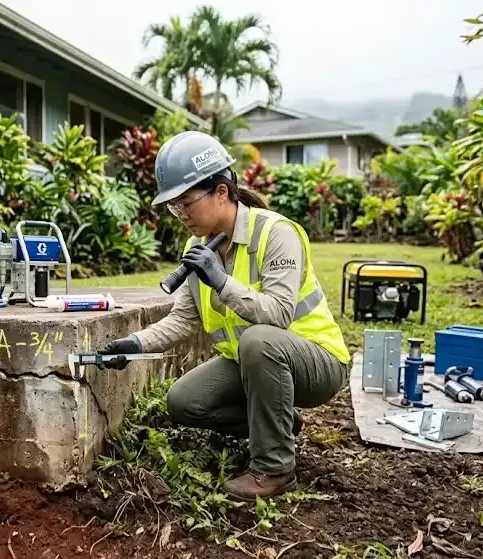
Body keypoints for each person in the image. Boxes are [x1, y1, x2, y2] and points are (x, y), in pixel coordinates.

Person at [99, 131, 351, 501]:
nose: (181, 214)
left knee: (259, 339)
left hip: (317, 363)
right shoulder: (197, 246)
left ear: (221, 191)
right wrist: (134, 344)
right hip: (254, 363)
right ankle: (280, 427)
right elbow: (184, 319)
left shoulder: (276, 234)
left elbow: (278, 315)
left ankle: (274, 468)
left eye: (187, 202)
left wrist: (220, 280)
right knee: (184, 401)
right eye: (174, 206)